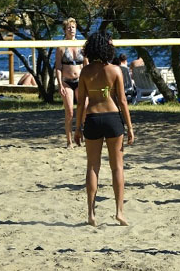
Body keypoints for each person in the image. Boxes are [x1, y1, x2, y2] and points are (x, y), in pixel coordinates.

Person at [74, 32, 134, 226]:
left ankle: (91, 213)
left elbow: (80, 103)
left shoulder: (85, 72)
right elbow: (122, 101)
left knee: (92, 166)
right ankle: (119, 212)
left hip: (92, 118)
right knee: (117, 167)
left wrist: (77, 128)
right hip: (112, 118)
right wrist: (130, 127)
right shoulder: (115, 70)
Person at [55, 18, 86, 148]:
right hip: (67, 82)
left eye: (73, 27)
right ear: (64, 30)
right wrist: (60, 84)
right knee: (69, 112)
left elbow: (86, 65)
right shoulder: (61, 47)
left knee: (84, 109)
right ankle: (69, 141)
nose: (71, 29)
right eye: (68, 27)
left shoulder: (82, 45)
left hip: (80, 81)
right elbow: (58, 67)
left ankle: (81, 134)